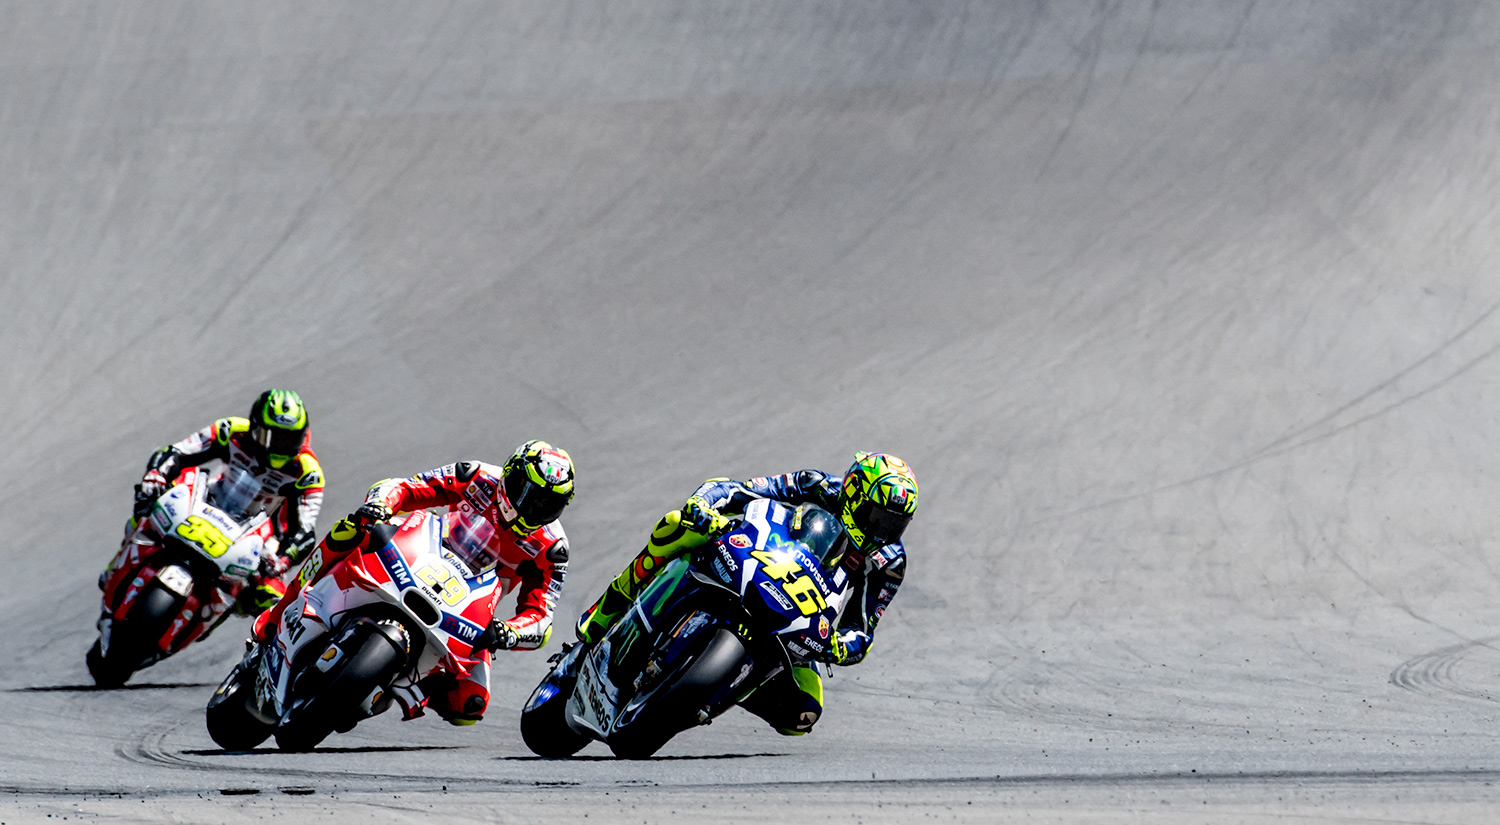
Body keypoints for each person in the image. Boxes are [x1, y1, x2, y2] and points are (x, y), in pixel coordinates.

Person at [573, 452, 918, 736]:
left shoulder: (888, 561)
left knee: (802, 714)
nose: (884, 532)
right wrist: (702, 505)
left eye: (896, 524)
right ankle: (606, 611)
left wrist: (841, 646)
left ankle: (721, 685)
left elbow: (863, 628)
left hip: (799, 616)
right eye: (880, 518)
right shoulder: (815, 486)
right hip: (753, 560)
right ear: (855, 494)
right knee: (679, 524)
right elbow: (737, 490)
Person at [254, 440, 575, 726]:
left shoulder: (551, 548)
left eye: (549, 504)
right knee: (352, 529)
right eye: (529, 495)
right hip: (424, 555)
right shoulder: (475, 476)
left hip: (467, 607)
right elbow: (406, 487)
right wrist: (381, 504)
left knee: (470, 706)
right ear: (512, 477)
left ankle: (397, 686)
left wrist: (507, 631)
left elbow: (541, 618)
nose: (535, 509)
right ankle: (282, 608)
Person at [102, 389, 324, 615]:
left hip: (260, 532)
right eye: (273, 437)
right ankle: (119, 564)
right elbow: (179, 452)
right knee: (149, 505)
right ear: (256, 428)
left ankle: (237, 617)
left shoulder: (307, 473)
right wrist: (156, 475)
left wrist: (283, 560)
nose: (281, 447)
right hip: (211, 499)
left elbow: (304, 532)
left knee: (273, 602)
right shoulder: (232, 431)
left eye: (290, 439)